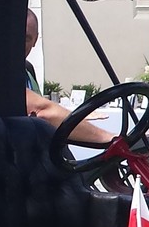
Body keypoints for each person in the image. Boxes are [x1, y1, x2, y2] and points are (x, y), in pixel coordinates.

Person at [24, 9, 113, 144]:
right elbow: (42, 111)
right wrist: (108, 138)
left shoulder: (27, 69)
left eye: (26, 38)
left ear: (35, 40)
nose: (17, 44)